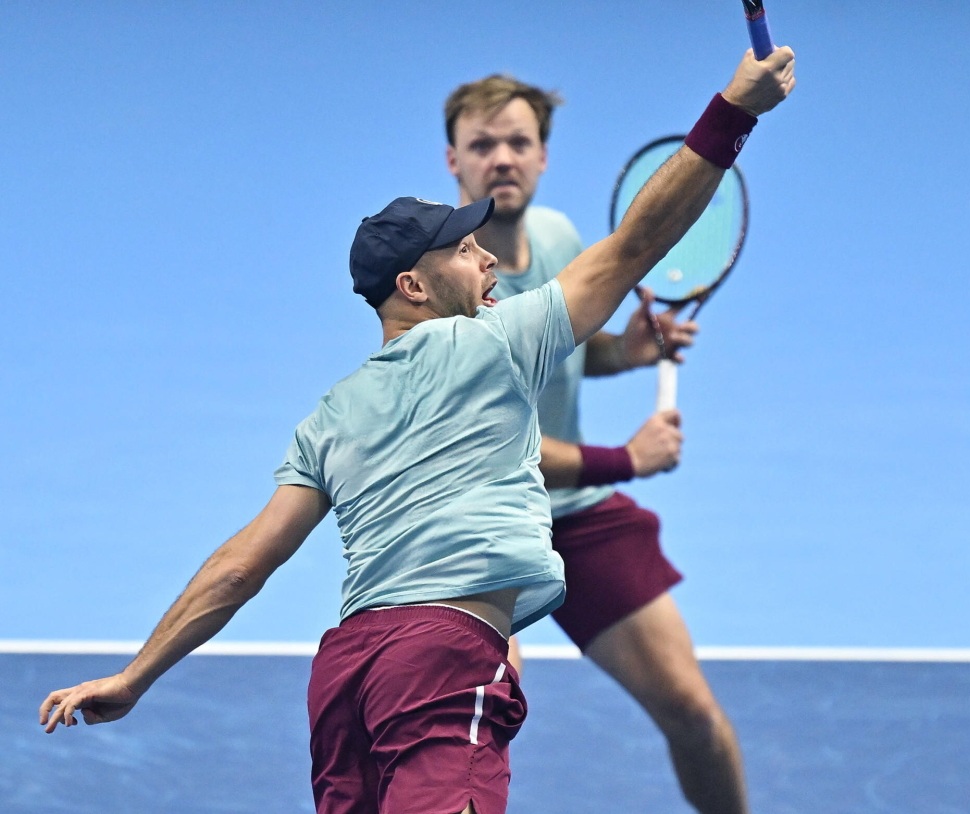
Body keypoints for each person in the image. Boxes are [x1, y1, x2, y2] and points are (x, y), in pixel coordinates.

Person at [39, 46, 796, 814]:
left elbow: (241, 565)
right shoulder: (499, 343)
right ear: (414, 284)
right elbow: (639, 241)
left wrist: (137, 674)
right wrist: (735, 109)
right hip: (442, 664)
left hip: (347, 677)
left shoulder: (328, 417)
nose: (489, 266)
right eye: (468, 254)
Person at [441, 75, 745, 812]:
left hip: (572, 516)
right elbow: (499, 445)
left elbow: (569, 348)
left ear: (543, 156)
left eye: (518, 142)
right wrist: (628, 460)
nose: (501, 159)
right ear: (453, 162)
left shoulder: (557, 238)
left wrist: (627, 351)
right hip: (479, 529)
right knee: (470, 736)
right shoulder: (444, 287)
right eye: (482, 145)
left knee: (693, 715)